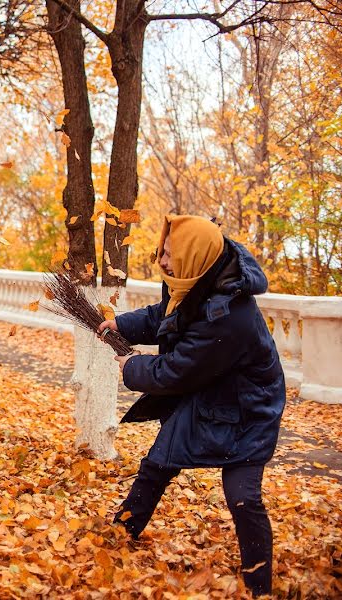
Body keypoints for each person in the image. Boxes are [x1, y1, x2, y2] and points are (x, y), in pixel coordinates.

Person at [98, 215, 285, 596]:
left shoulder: (228, 316)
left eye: (169, 253)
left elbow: (177, 371)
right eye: (163, 251)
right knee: (158, 463)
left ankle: (259, 585)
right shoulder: (193, 279)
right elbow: (164, 318)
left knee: (242, 495)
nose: (162, 260)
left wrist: (132, 366)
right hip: (209, 393)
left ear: (192, 255)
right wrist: (122, 325)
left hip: (249, 410)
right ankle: (119, 536)